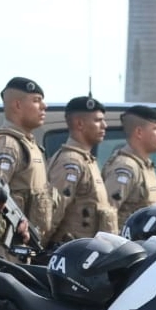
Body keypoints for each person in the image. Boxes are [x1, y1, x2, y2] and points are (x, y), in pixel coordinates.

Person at [0, 77, 55, 256]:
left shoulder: (31, 145)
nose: (44, 106)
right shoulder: (6, 144)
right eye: (36, 101)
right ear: (17, 105)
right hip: (6, 252)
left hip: (24, 249)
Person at [47, 95, 118, 245]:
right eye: (98, 120)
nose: (104, 125)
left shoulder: (86, 160)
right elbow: (52, 212)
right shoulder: (71, 161)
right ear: (80, 123)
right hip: (72, 252)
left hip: (88, 253)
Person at [101, 104, 156, 228]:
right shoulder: (125, 167)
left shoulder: (145, 166)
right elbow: (107, 213)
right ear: (139, 132)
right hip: (126, 244)